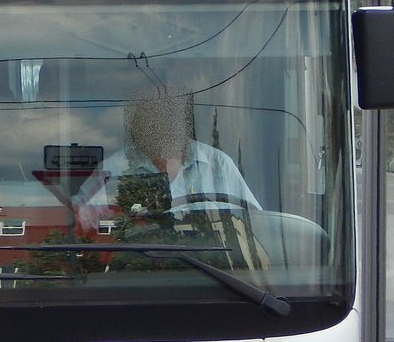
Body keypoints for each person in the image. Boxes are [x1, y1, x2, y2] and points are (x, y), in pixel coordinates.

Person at [72, 92, 260, 235]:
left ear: (184, 124)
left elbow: (257, 224)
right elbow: (77, 221)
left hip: (215, 272)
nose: (163, 127)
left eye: (170, 119)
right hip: (136, 270)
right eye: (153, 119)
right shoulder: (113, 169)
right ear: (138, 128)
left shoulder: (218, 165)